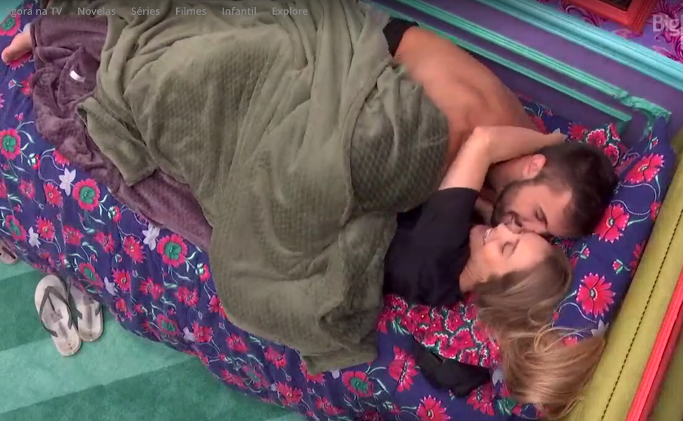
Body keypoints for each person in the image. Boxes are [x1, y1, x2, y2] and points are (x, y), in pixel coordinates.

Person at [3, 13, 614, 418]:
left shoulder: (450, 249)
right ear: (534, 166)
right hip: (353, 61)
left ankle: (81, 43)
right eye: (530, 220)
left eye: (521, 238)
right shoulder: (464, 205)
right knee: (212, 65)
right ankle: (82, 37)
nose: (514, 226)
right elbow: (450, 164)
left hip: (355, 81)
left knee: (200, 89)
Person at [385, 126, 608, 418]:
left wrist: (551, 140)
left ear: (494, 284)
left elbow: (483, 140)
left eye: (507, 248)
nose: (504, 229)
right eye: (521, 234)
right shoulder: (456, 264)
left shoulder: (435, 258)